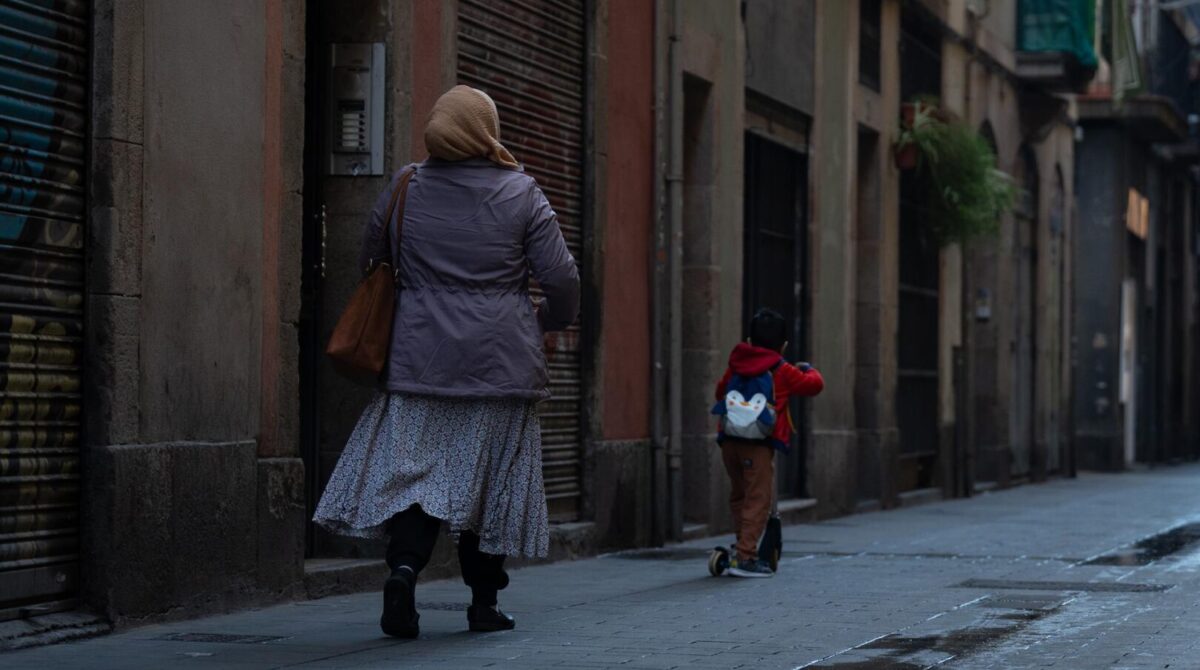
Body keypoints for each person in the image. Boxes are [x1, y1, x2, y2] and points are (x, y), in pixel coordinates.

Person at [313, 85, 580, 638]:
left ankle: (405, 571)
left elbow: (370, 257)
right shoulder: (522, 194)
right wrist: (547, 319)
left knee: (418, 481)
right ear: (486, 130)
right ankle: (483, 603)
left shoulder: (406, 185)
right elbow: (562, 280)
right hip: (500, 367)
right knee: (491, 486)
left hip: (418, 362)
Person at [713, 308, 824, 578]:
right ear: (783, 345)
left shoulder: (736, 363)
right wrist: (808, 369)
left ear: (750, 340)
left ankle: (741, 545)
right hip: (758, 444)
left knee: (739, 494)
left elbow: (720, 392)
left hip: (729, 441)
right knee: (758, 498)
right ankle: (746, 556)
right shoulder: (782, 370)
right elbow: (814, 385)